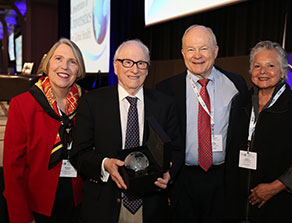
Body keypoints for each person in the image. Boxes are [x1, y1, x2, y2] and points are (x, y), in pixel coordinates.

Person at [70, 39, 183, 223]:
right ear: (116, 66)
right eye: (128, 62)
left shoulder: (165, 104)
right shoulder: (93, 102)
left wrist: (169, 174)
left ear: (147, 69)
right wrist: (105, 164)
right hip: (104, 205)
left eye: (141, 64)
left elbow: (177, 149)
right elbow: (79, 154)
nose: (135, 69)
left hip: (151, 207)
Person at [156, 24, 248, 223]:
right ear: (182, 53)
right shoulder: (165, 89)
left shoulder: (236, 85)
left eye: (204, 48)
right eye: (191, 49)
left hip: (223, 180)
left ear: (215, 51)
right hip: (182, 180)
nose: (197, 55)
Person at [226, 40, 292, 223]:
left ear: (282, 72)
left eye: (271, 65)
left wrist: (276, 186)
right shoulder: (240, 103)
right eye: (257, 66)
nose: (263, 71)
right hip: (239, 206)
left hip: (282, 205)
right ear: (250, 71)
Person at [3, 38, 86, 223]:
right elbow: (12, 170)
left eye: (72, 62)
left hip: (80, 205)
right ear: (47, 64)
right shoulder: (22, 105)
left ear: (79, 70)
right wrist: (22, 218)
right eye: (58, 59)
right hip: (36, 207)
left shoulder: (88, 103)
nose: (64, 66)